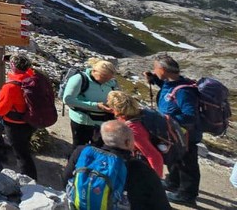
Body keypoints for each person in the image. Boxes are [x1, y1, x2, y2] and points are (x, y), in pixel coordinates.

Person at [62, 120, 171, 210]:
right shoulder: (138, 168)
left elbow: (65, 179)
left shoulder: (82, 152)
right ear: (128, 142)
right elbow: (161, 204)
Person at [144, 53, 200, 204]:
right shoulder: (173, 83)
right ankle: (173, 182)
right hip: (174, 133)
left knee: (187, 163)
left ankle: (187, 195)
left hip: (185, 135)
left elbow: (190, 115)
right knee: (175, 157)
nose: (154, 71)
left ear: (163, 69)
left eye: (156, 69)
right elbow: (167, 87)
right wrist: (155, 80)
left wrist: (169, 120)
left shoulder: (184, 91)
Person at [105, 91, 164, 178]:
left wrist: (155, 181)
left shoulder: (133, 129)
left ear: (117, 109)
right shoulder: (138, 114)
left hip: (144, 165)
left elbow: (154, 156)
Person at [62, 58, 119, 147]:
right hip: (83, 122)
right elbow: (68, 100)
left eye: (109, 78)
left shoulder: (111, 82)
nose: (106, 81)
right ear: (94, 71)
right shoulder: (79, 79)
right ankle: (74, 160)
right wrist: (96, 106)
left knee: (98, 149)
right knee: (79, 148)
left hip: (103, 122)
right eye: (103, 77)